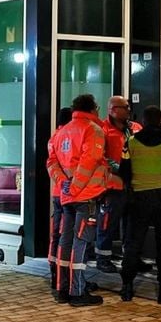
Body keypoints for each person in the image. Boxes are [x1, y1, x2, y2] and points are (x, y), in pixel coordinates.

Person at [119, 105, 161, 305]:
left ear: (144, 120)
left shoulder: (130, 142)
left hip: (138, 199)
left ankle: (127, 288)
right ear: (160, 119)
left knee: (133, 244)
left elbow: (124, 171)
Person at [52, 94, 111, 307]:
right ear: (93, 109)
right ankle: (77, 292)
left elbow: (51, 162)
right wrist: (76, 188)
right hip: (86, 197)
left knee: (65, 242)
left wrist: (64, 184)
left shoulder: (62, 132)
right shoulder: (93, 130)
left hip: (68, 197)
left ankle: (62, 289)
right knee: (81, 243)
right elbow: (89, 161)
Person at [95, 95, 140, 273]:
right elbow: (100, 155)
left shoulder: (134, 128)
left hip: (133, 184)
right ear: (113, 109)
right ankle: (102, 258)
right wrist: (117, 167)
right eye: (125, 107)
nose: (129, 110)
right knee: (107, 223)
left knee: (131, 224)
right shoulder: (102, 129)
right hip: (112, 185)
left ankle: (130, 257)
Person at [45, 107, 74, 296]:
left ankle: (53, 271)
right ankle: (63, 277)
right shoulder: (68, 136)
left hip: (56, 192)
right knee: (66, 235)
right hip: (68, 193)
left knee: (55, 234)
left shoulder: (53, 137)